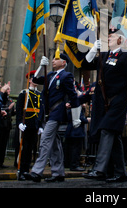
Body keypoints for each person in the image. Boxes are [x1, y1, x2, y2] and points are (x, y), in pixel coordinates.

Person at [82, 26, 127, 183]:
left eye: (111, 36)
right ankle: (120, 172)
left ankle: (99, 169)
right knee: (113, 135)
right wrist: (93, 50)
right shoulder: (104, 55)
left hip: (118, 100)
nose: (108, 38)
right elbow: (85, 65)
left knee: (107, 130)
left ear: (121, 39)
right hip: (103, 101)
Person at [24, 53, 79, 183]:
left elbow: (73, 96)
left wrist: (76, 116)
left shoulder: (66, 76)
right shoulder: (50, 75)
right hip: (47, 113)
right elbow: (35, 80)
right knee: (55, 144)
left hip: (57, 112)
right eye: (53, 59)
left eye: (57, 59)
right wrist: (41, 66)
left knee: (45, 140)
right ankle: (58, 173)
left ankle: (37, 172)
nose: (53, 60)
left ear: (64, 62)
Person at [16, 70, 45, 180]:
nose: (35, 81)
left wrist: (41, 125)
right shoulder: (24, 93)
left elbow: (41, 111)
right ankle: (21, 171)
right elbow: (19, 110)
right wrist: (19, 122)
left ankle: (27, 169)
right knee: (24, 147)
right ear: (29, 80)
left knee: (31, 148)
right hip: (26, 123)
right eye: (33, 79)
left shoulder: (39, 94)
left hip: (35, 124)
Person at [0, 84, 15, 170]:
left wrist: (14, 110)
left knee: (3, 145)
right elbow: (2, 107)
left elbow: (12, 112)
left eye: (9, 89)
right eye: (7, 89)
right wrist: (8, 108)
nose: (9, 91)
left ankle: (0, 162)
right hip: (0, 123)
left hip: (7, 124)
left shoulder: (10, 99)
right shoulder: (2, 98)